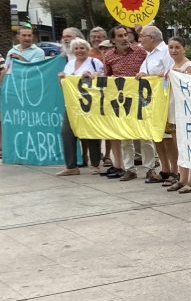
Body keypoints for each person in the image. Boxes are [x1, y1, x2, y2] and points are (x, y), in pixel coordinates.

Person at [101, 25, 147, 181]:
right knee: (125, 136)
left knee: (145, 135)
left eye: (126, 34)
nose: (124, 38)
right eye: (120, 36)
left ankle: (150, 169)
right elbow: (106, 78)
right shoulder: (108, 56)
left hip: (141, 98)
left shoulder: (140, 52)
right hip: (121, 102)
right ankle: (129, 169)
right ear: (113, 40)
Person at [56, 38, 103, 176]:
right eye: (76, 48)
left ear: (88, 49)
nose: (79, 51)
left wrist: (91, 76)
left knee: (92, 134)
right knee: (66, 133)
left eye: (82, 48)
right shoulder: (69, 64)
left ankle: (95, 164)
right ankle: (71, 166)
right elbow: (64, 86)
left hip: (89, 105)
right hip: (72, 105)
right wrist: (61, 79)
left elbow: (102, 80)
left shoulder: (95, 62)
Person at [136, 26, 171, 184]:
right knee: (158, 137)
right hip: (153, 104)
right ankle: (165, 168)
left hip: (166, 101)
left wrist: (156, 76)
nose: (140, 39)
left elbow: (170, 73)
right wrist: (142, 75)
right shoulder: (149, 55)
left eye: (142, 36)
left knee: (169, 138)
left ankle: (174, 170)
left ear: (151, 38)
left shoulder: (166, 52)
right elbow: (143, 72)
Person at [165, 37, 191, 193]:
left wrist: (182, 76)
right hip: (175, 111)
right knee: (179, 146)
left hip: (187, 113)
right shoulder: (171, 66)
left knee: (190, 145)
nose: (174, 50)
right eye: (171, 47)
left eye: (177, 47)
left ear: (184, 48)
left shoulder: (189, 66)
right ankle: (182, 178)